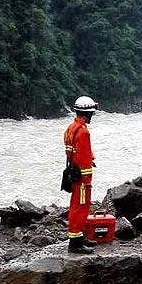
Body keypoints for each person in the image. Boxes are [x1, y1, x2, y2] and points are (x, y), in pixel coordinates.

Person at [64, 96, 99, 254]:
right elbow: (83, 157)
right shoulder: (83, 131)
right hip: (82, 178)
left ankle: (79, 237)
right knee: (81, 207)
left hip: (73, 172)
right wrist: (86, 179)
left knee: (76, 205)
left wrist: (90, 158)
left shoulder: (71, 128)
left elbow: (72, 152)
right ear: (88, 113)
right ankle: (75, 243)